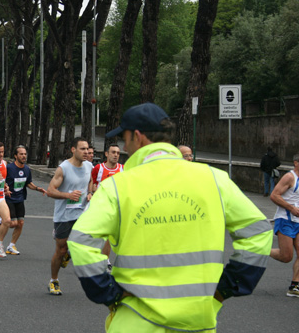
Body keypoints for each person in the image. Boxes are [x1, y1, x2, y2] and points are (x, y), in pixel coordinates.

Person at [67, 103, 273, 331]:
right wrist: (227, 287)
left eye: (125, 139)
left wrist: (108, 293)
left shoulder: (117, 187)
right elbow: (259, 232)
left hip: (134, 319)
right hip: (197, 321)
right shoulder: (215, 179)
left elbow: (80, 241)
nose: (124, 147)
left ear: (138, 136)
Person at [46, 137, 93, 295]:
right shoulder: (63, 168)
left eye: (87, 149)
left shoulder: (89, 166)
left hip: (82, 213)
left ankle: (70, 253)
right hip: (64, 216)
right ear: (73, 150)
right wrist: (68, 195)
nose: (86, 152)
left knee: (83, 243)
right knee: (60, 250)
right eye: (82, 149)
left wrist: (91, 193)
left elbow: (91, 182)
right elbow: (50, 191)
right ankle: (54, 280)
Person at [0, 145, 47, 255]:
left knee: (20, 223)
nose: (24, 156)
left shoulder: (27, 169)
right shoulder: (9, 168)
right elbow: (1, 180)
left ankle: (11, 246)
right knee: (12, 223)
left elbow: (28, 183)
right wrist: (5, 189)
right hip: (9, 198)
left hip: (20, 198)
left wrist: (37, 188)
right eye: (21, 154)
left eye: (25, 154)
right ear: (15, 156)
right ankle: (0, 219)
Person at [269, 152, 299, 297]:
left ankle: (295, 286)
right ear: (296, 163)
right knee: (286, 256)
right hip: (286, 219)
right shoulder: (290, 177)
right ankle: (263, 250)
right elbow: (274, 195)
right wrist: (292, 208)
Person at [90, 143, 125, 271]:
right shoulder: (98, 168)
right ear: (106, 154)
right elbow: (92, 183)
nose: (116, 155)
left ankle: (105, 260)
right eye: (113, 152)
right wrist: (91, 193)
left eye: (118, 153)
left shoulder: (122, 169)